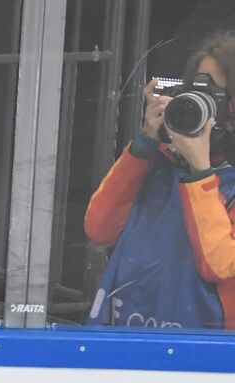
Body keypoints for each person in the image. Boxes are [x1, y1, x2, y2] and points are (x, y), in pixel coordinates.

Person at [85, 33, 235, 330]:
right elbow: (98, 229)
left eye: (216, 96)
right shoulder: (159, 165)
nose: (202, 103)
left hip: (205, 349)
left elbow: (218, 265)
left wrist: (200, 172)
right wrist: (143, 145)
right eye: (196, 91)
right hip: (129, 336)